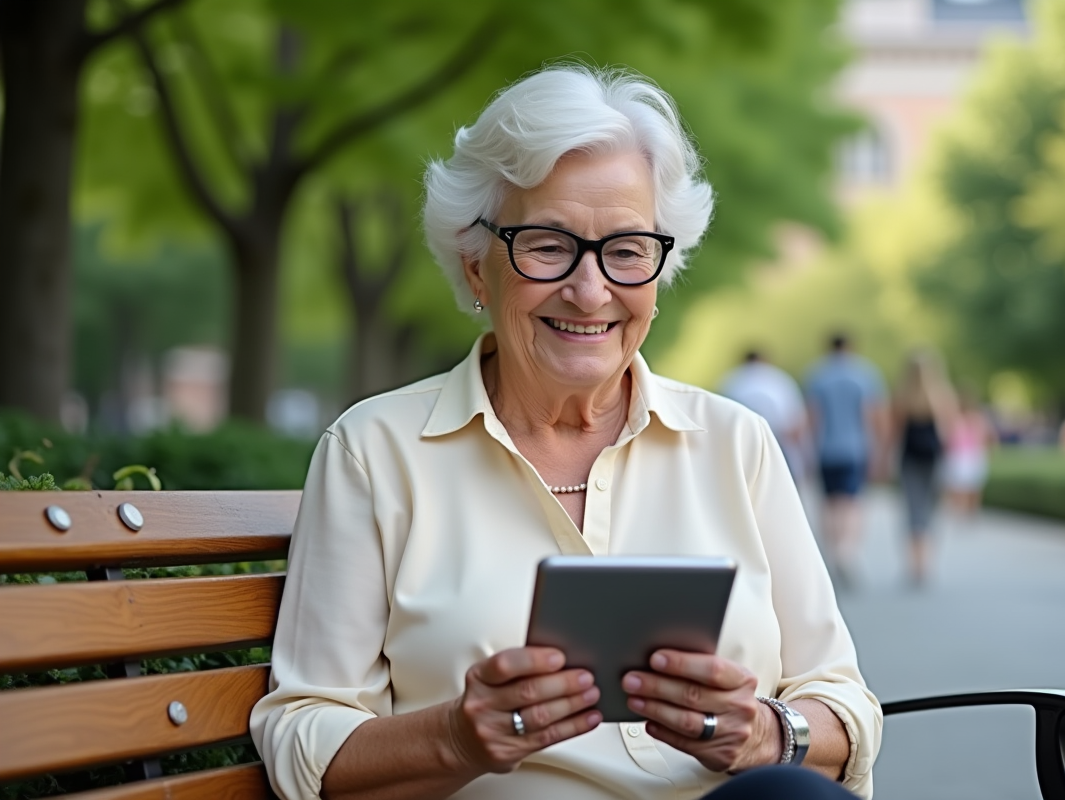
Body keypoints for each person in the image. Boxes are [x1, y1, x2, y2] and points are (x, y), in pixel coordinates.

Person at [250, 66, 881, 800]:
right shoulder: (374, 452)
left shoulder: (736, 444)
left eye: (627, 250)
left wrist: (769, 734)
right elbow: (302, 734)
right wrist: (456, 738)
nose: (590, 290)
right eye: (547, 245)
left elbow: (845, 705)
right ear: (476, 266)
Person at [804, 333, 888, 587]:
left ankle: (833, 553)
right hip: (856, 449)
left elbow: (812, 417)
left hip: (825, 449)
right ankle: (847, 550)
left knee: (829, 503)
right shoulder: (865, 374)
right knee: (852, 503)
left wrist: (807, 451)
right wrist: (880, 451)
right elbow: (873, 415)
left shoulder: (817, 375)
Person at [892, 351, 956, 585]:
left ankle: (914, 564)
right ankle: (926, 564)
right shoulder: (942, 396)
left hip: (909, 459)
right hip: (934, 459)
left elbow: (895, 432)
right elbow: (949, 431)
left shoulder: (902, 397)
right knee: (930, 511)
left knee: (912, 510)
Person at [719, 350, 808, 484]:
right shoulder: (780, 380)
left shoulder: (731, 382)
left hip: (743, 450)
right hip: (780, 446)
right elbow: (797, 424)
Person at [942, 389, 996, 519]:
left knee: (971, 486)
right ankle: (961, 510)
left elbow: (990, 436)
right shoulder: (955, 417)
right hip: (960, 455)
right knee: (960, 485)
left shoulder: (976, 418)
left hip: (971, 454)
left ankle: (968, 511)